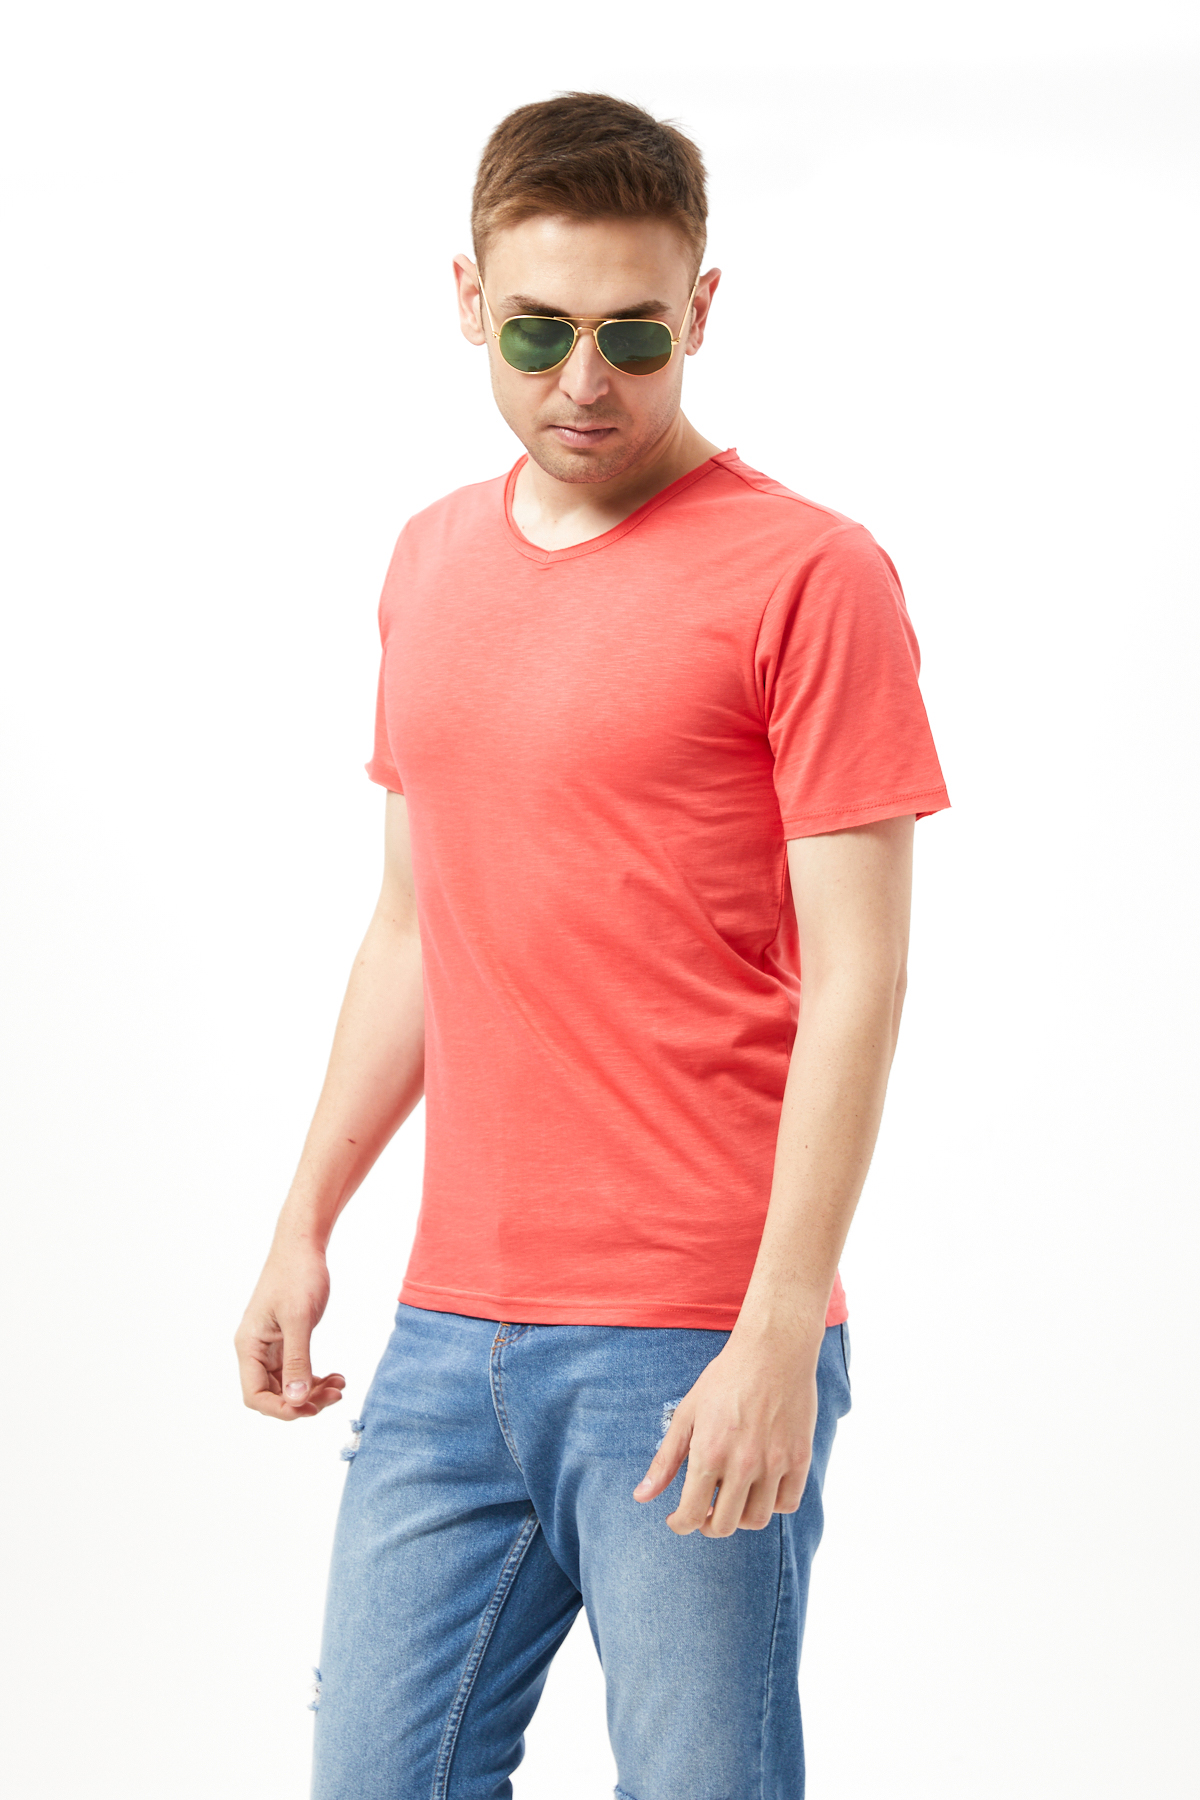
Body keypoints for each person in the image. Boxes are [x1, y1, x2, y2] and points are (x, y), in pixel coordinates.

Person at [235, 90, 950, 1800]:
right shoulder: (429, 560)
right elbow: (414, 923)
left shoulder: (810, 575)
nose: (585, 379)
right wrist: (303, 1221)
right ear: (468, 299)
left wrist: (779, 1331)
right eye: (540, 328)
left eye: (634, 332)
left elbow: (862, 978)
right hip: (446, 1332)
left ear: (701, 310)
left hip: (691, 1329)